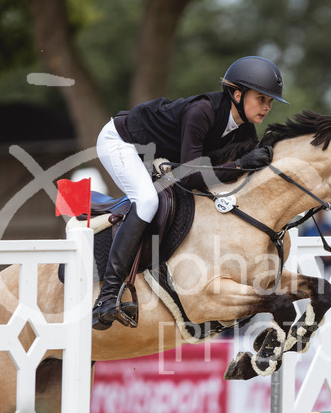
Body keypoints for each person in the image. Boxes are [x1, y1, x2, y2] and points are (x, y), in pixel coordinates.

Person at [92, 56, 287, 330]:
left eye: (270, 101)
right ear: (238, 94)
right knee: (147, 202)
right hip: (122, 142)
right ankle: (107, 296)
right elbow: (190, 175)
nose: (267, 107)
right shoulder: (202, 112)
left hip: (156, 154)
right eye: (261, 98)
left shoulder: (245, 132)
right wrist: (241, 164)